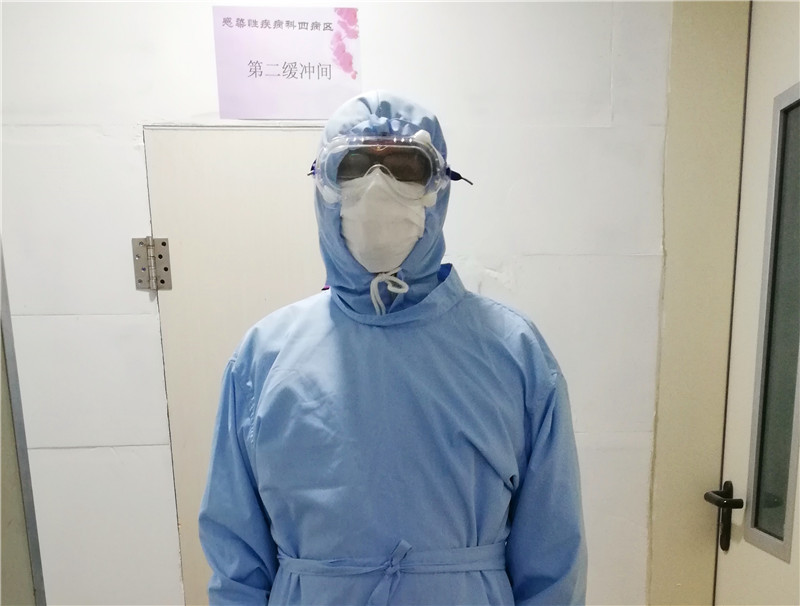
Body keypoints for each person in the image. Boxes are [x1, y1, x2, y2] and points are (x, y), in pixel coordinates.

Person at [198, 90, 587, 605]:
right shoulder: (264, 358)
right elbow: (236, 560)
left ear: (439, 187)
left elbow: (552, 555)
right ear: (323, 185)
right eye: (353, 167)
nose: (376, 187)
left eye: (405, 169)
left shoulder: (512, 352)